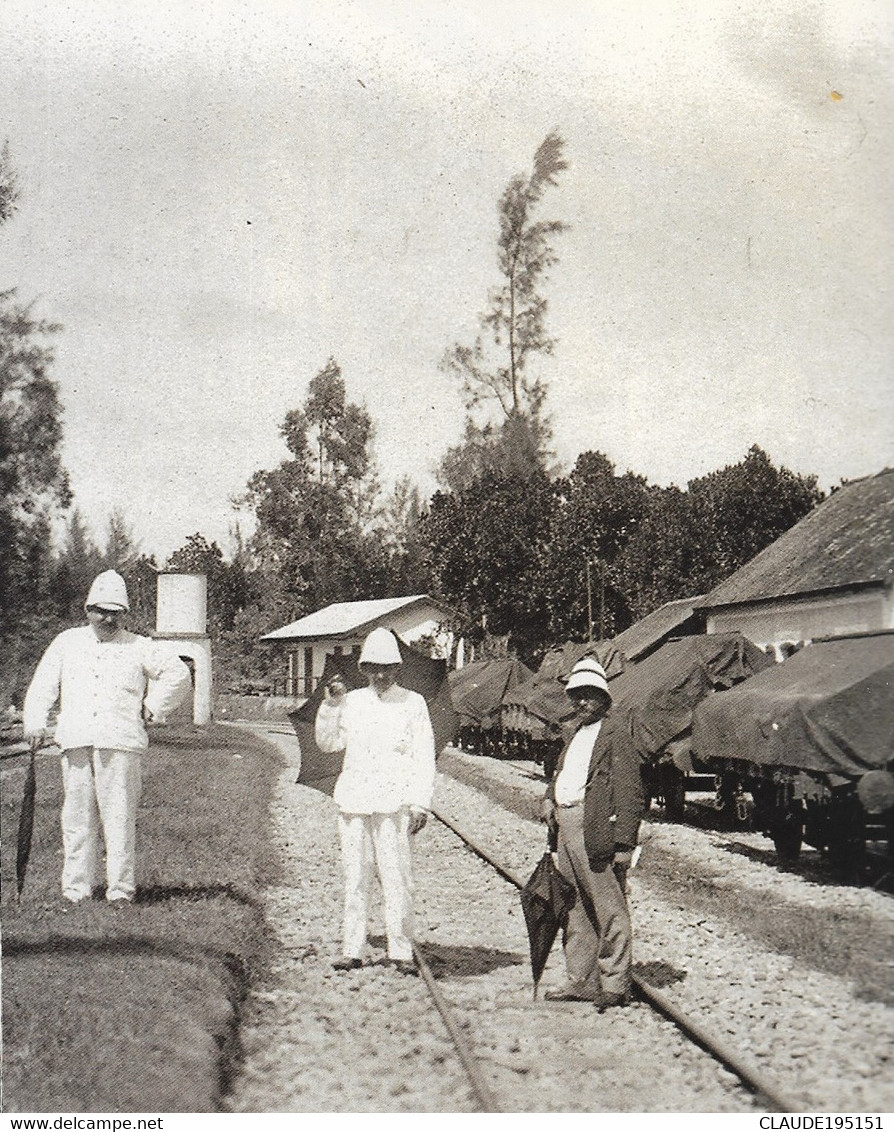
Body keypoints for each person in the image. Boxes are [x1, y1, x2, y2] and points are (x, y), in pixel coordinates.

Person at [23, 570, 192, 905]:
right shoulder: (67, 642)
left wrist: (154, 705)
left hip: (121, 742)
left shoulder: (139, 646)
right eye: (101, 610)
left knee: (119, 820)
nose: (107, 618)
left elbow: (179, 673)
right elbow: (44, 684)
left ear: (124, 614)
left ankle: (120, 891)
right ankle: (76, 890)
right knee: (76, 820)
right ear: (87, 609)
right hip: (77, 740)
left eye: (115, 612)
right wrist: (34, 721)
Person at [314, 626, 436, 975]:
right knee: (356, 876)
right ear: (364, 668)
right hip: (354, 800)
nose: (380, 674)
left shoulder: (413, 703)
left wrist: (420, 802)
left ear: (398, 667)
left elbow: (423, 757)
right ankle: (352, 948)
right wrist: (331, 705)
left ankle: (401, 950)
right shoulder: (351, 701)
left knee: (398, 877)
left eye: (387, 667)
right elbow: (328, 744)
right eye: (373, 667)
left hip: (394, 803)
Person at [540, 655, 645, 1007]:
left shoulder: (616, 734)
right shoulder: (574, 735)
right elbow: (561, 774)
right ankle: (580, 979)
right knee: (575, 908)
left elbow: (630, 791)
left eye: (589, 695)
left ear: (604, 699)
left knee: (608, 905)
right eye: (576, 695)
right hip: (566, 826)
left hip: (595, 827)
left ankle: (615, 983)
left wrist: (625, 842)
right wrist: (549, 799)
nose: (581, 702)